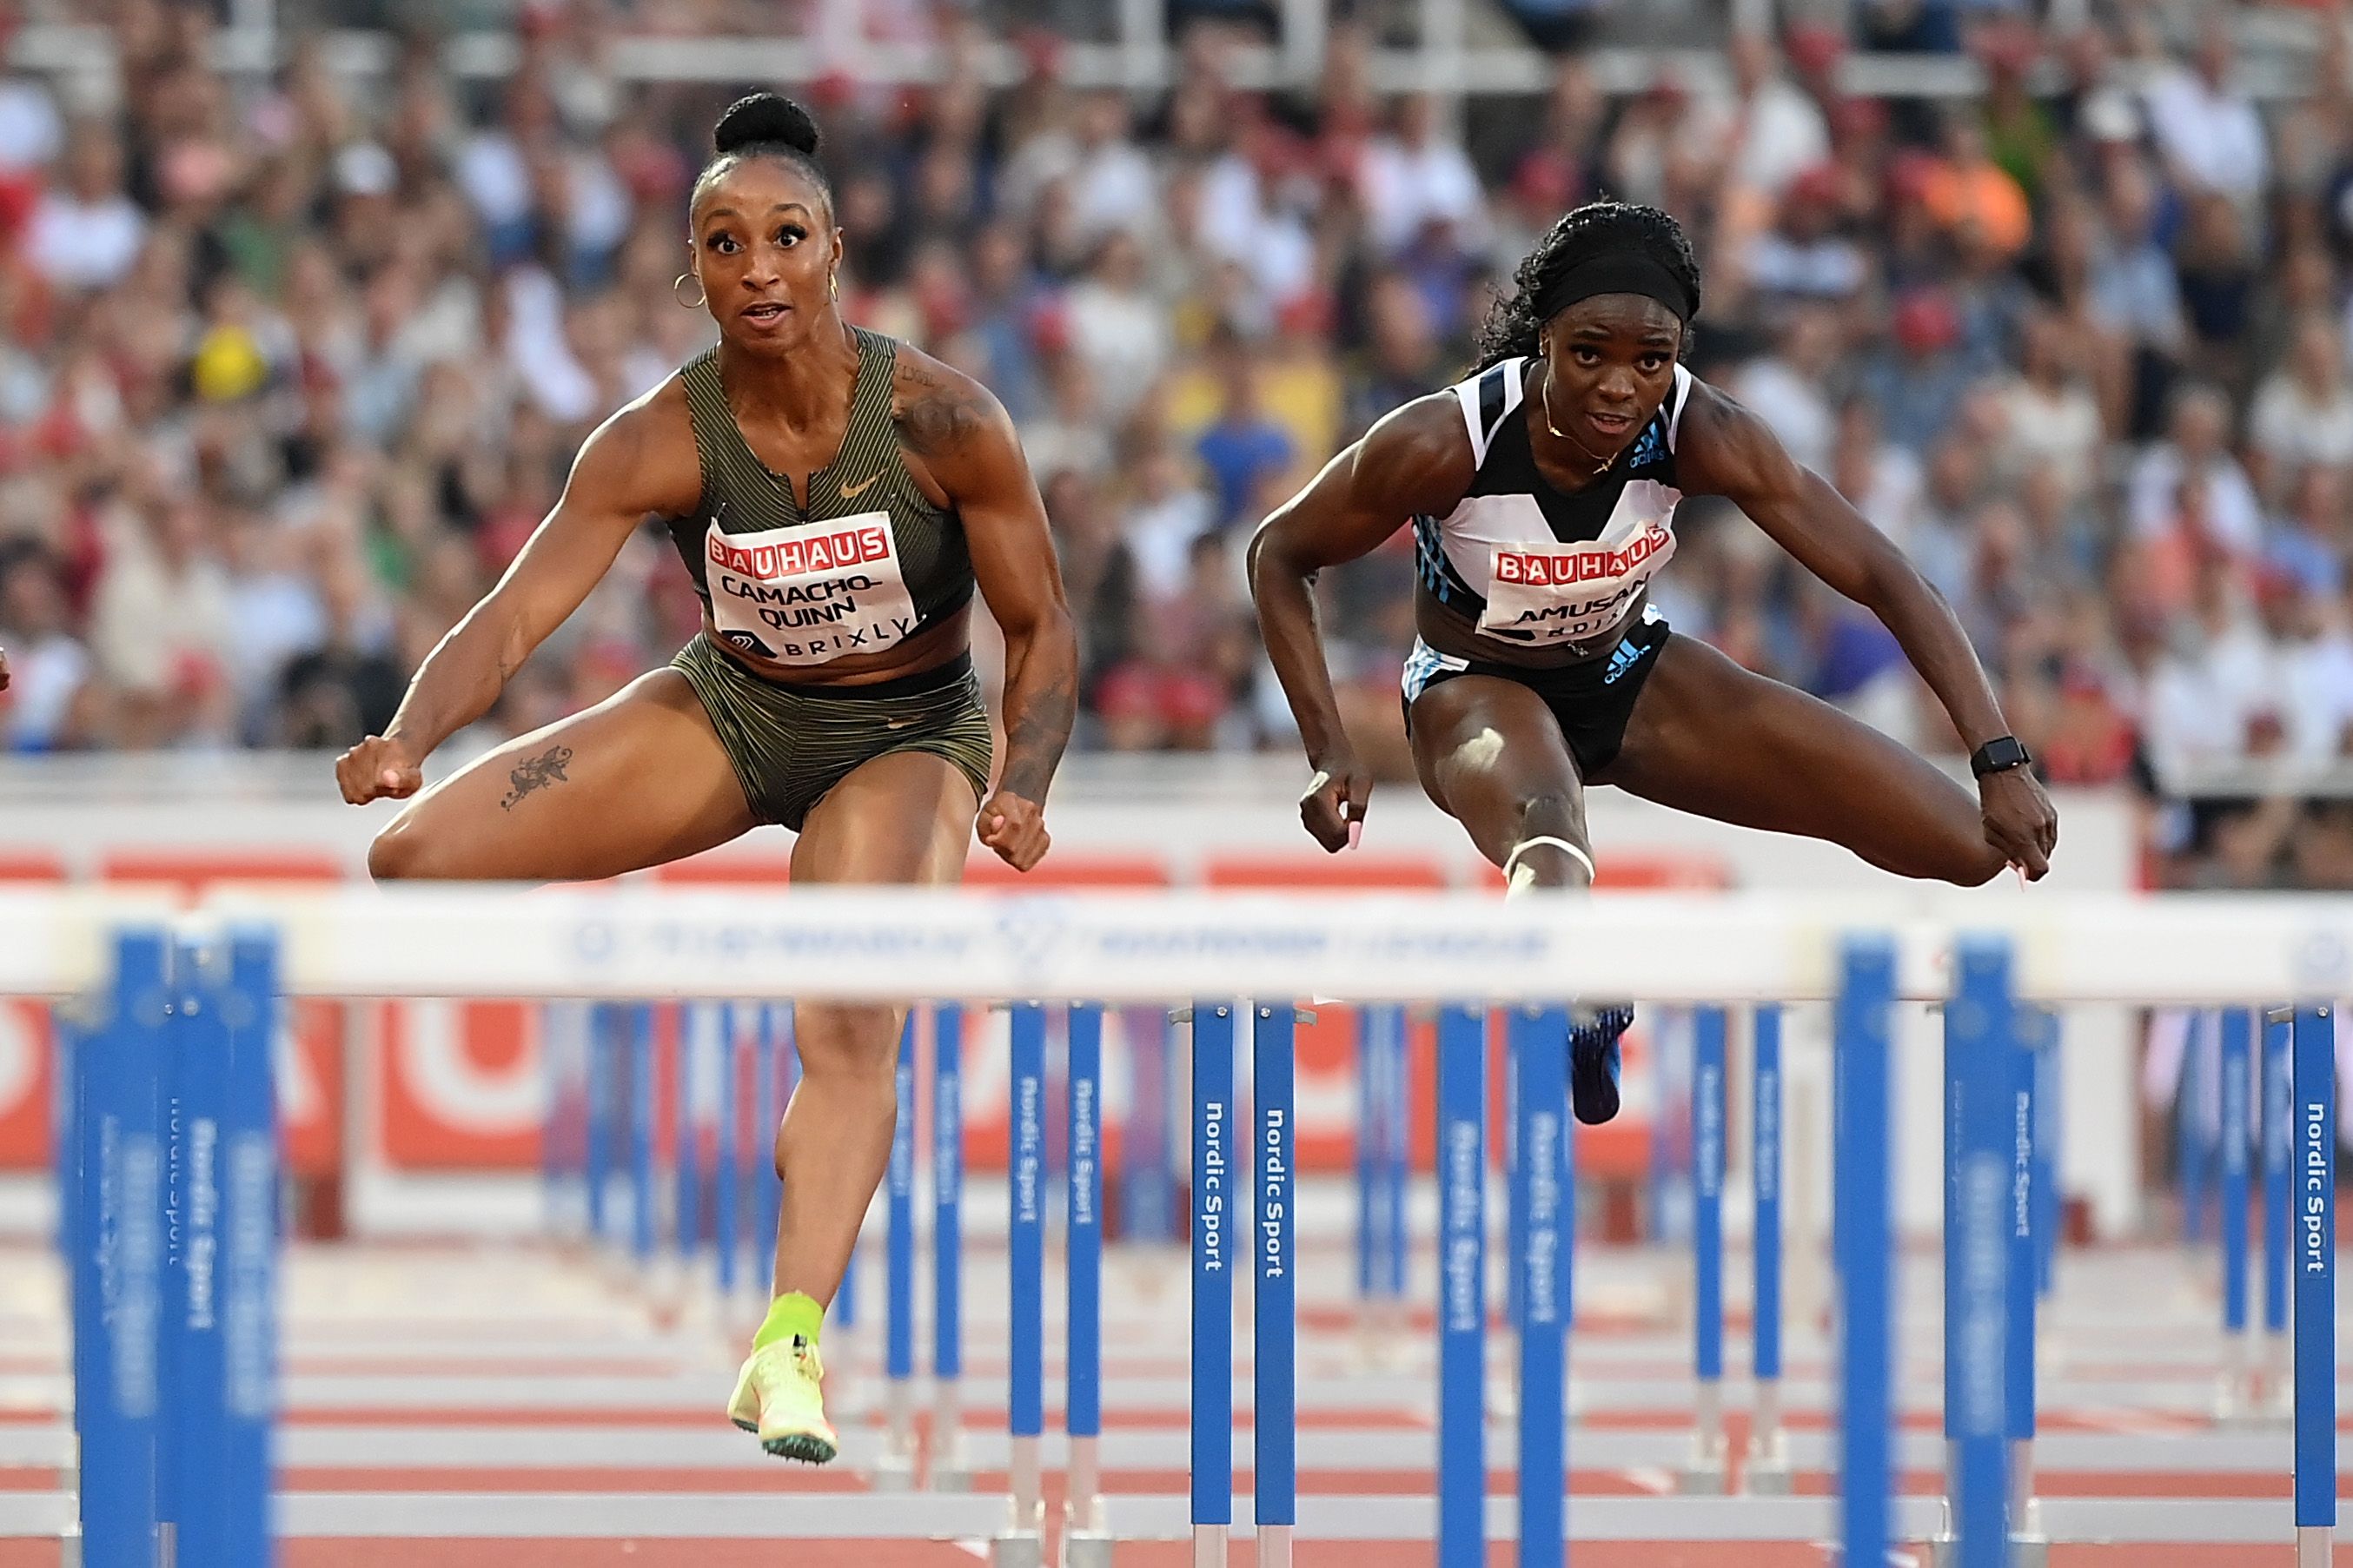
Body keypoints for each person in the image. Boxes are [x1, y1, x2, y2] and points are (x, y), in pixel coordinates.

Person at [334, 95, 1078, 1465]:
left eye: (784, 238)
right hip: (737, 708)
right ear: (696, 270)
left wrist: (1024, 775)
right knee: (410, 859)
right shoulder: (653, 439)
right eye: (723, 246)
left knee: (850, 1023)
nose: (756, 270)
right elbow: (510, 616)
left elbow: (1042, 632)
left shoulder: (943, 420)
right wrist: (407, 734)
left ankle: (788, 1343)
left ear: (835, 250)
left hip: (907, 734)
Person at [1249, 202, 2056, 1125]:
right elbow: (1278, 553)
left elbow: (1885, 573)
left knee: (1962, 847)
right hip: (1475, 690)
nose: (1618, 390)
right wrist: (1324, 742)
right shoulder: (1445, 441)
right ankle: (1575, 1001)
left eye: (1650, 359)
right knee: (1551, 839)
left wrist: (1998, 757)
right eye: (1588, 352)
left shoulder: (1701, 429)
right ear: (1541, 338)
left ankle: (1580, 992)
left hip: (1628, 673)